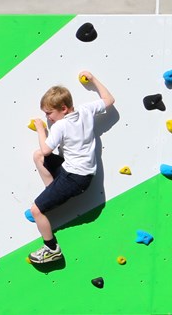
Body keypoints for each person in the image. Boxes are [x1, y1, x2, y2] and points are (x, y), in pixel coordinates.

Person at [28, 71, 114, 263]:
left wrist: (41, 130)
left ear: (64, 108)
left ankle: (51, 249)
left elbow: (47, 148)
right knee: (38, 156)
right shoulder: (85, 110)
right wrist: (93, 79)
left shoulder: (60, 126)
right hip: (76, 172)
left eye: (49, 113)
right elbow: (109, 100)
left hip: (74, 179)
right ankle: (51, 193)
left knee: (36, 210)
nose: (48, 117)